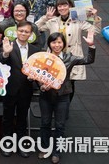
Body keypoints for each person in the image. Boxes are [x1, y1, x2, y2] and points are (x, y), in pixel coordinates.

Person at [37, 32, 95, 164]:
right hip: (45, 96)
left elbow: (88, 60)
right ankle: (45, 148)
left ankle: (56, 152)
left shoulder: (70, 57)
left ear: (63, 44)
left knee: (60, 125)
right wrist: (41, 86)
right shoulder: (43, 58)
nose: (56, 45)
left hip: (63, 96)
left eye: (59, 42)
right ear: (49, 44)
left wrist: (91, 45)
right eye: (54, 42)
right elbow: (37, 75)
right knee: (45, 123)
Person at [36, 0, 101, 102]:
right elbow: (35, 28)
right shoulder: (53, 21)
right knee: (51, 80)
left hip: (71, 56)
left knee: (69, 83)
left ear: (71, 7)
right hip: (54, 56)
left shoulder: (78, 21)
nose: (62, 8)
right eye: (60, 6)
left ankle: (65, 106)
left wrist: (96, 17)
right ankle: (52, 105)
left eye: (65, 5)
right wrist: (45, 18)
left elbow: (96, 30)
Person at [0, 21, 40, 158]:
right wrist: (5, 53)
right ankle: (7, 144)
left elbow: (38, 71)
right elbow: (0, 63)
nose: (23, 33)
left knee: (22, 118)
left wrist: (34, 78)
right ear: (16, 31)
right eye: (21, 31)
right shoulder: (7, 45)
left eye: (26, 32)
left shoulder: (35, 51)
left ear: (31, 34)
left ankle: (21, 144)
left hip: (26, 90)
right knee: (7, 118)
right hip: (10, 89)